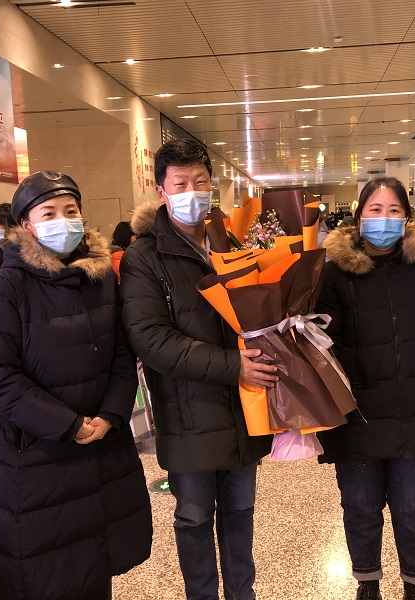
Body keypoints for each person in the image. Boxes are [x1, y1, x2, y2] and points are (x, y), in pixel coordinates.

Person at [0, 171, 152, 600]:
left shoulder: (101, 278)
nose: (63, 221)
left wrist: (110, 414)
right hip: (38, 455)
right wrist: (66, 424)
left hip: (101, 446)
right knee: (46, 570)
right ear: (26, 225)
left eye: (70, 211)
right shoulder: (7, 287)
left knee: (95, 562)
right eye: (48, 213)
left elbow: (122, 353)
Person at [120, 138, 274, 600]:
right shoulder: (144, 257)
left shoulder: (235, 243)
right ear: (161, 190)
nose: (193, 192)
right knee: (193, 519)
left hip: (243, 411)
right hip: (187, 414)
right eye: (181, 183)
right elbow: (151, 338)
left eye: (201, 181)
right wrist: (233, 365)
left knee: (241, 514)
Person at [315, 177, 415, 600]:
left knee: (414, 508)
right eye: (375, 209)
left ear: (407, 217)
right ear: (359, 218)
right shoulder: (331, 273)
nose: (384, 218)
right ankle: (367, 582)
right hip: (357, 412)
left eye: (394, 210)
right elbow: (323, 344)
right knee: (360, 508)